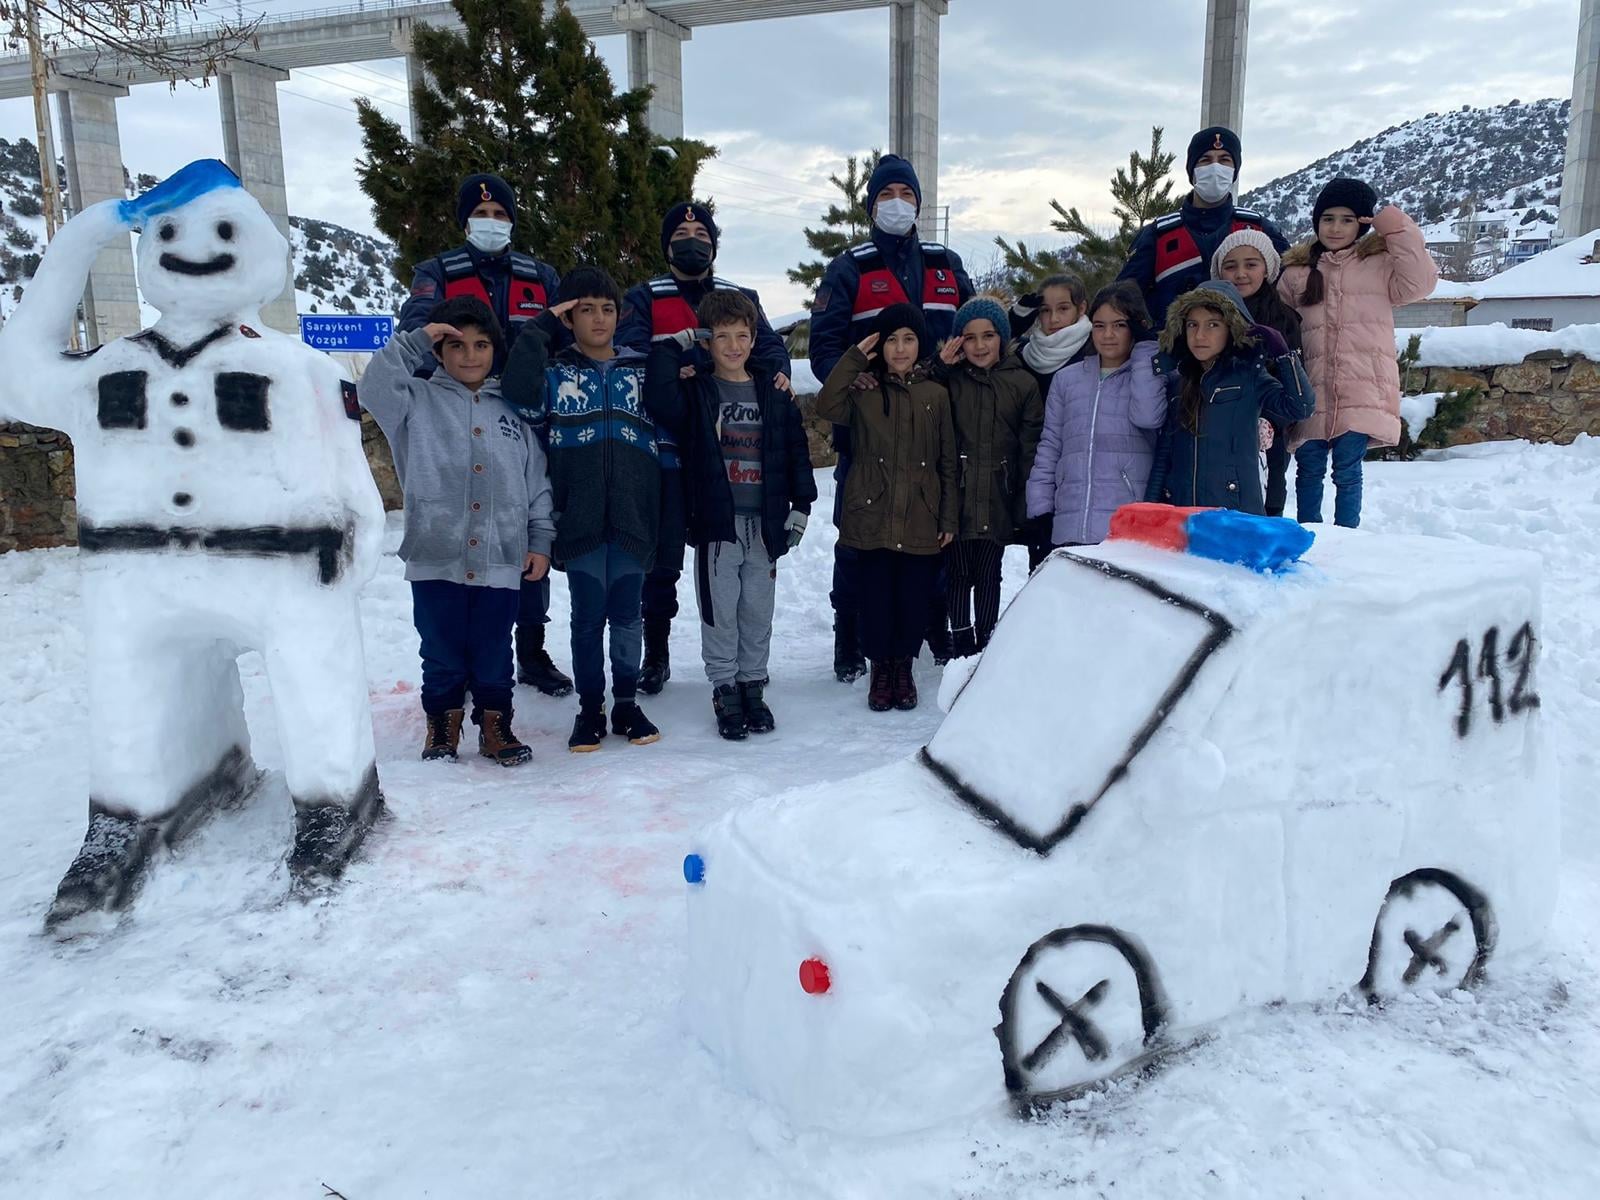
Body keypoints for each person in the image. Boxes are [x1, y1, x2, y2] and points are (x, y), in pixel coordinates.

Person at [396, 172, 573, 699]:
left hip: (528, 421)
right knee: (469, 533)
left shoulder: (540, 275)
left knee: (525, 533)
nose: (491, 223)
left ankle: (532, 651)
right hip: (459, 416)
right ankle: (463, 662)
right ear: (465, 221)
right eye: (481, 215)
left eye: (500, 216)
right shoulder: (437, 272)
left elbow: (563, 341)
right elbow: (418, 333)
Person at [360, 296, 554, 767]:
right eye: (457, 345)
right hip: (435, 553)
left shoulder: (512, 413)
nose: (470, 355)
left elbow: (536, 484)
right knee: (441, 649)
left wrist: (540, 539)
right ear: (440, 351)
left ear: (495, 349)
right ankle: (442, 724)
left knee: (493, 648)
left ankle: (495, 724)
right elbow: (373, 388)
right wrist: (418, 339)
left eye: (481, 345)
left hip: (501, 558)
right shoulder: (415, 400)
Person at [807, 154, 974, 681]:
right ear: (871, 205)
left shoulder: (945, 261)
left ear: (919, 203)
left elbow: (976, 330)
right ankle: (848, 637)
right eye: (885, 195)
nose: (897, 203)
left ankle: (928, 626)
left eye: (906, 193)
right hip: (870, 426)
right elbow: (824, 345)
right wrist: (853, 376)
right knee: (860, 535)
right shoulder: (849, 266)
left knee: (934, 531)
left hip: (936, 419)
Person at [617, 202, 794, 697]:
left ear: (714, 243)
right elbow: (631, 354)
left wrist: (775, 371)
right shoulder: (645, 296)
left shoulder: (739, 297)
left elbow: (771, 348)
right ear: (667, 244)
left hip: (725, 452)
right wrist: (678, 364)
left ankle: (747, 674)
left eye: (701, 232)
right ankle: (657, 651)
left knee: (734, 567)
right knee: (664, 559)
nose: (692, 240)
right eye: (682, 233)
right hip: (662, 447)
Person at [502, 267, 663, 753]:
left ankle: (627, 704)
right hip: (582, 519)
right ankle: (590, 708)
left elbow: (676, 413)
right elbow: (517, 393)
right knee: (589, 620)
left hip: (635, 518)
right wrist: (540, 328)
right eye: (584, 309)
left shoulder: (642, 371)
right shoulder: (554, 374)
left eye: (607, 308)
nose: (598, 318)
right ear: (567, 317)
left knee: (629, 618)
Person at [645, 290, 817, 740]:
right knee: (720, 612)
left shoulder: (773, 389)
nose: (734, 346)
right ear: (706, 341)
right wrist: (673, 346)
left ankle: (752, 684)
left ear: (755, 337)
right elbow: (659, 398)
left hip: (764, 524)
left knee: (758, 609)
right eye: (722, 337)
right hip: (717, 524)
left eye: (743, 335)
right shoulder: (696, 388)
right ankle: (725, 687)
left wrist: (802, 505)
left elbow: (795, 450)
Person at [814, 304, 957, 712]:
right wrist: (856, 357)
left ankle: (903, 669)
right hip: (871, 516)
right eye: (891, 339)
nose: (899, 348)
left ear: (920, 344)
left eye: (908, 339)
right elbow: (825, 405)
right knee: (875, 599)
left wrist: (946, 515)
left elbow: (947, 460)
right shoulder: (863, 392)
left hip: (920, 517)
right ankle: (880, 670)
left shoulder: (936, 395)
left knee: (912, 600)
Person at [1277, 179, 1437, 528]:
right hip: (1311, 388)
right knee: (1308, 469)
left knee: (1348, 471)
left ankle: (1349, 539)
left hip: (1362, 388)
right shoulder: (1295, 273)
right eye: (1328, 218)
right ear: (1316, 221)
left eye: (1347, 219)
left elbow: (1421, 283)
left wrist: (1391, 225)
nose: (1336, 228)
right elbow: (1282, 331)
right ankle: (1311, 535)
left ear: (1362, 224)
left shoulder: (1380, 265)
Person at [930, 298, 1042, 657]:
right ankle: (961, 640)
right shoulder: (950, 381)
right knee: (958, 572)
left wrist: (1025, 500)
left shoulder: (1022, 383)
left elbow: (1030, 448)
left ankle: (986, 641)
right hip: (958, 494)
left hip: (999, 492)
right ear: (958, 342)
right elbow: (920, 396)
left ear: (1002, 338)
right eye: (970, 337)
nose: (979, 346)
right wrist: (940, 368)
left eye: (988, 336)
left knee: (989, 571)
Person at [1145, 281, 1315, 511]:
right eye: (1192, 325)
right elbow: (1164, 454)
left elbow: (1301, 407)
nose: (1200, 335)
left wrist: (1285, 357)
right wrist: (1150, 508)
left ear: (1231, 329)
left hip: (1237, 515)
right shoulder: (1179, 382)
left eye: (1213, 324)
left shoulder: (1249, 376)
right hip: (1183, 515)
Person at [1026, 281, 1167, 548]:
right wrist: (1040, 506)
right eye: (1099, 326)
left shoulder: (1147, 377)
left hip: (1127, 528)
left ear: (1135, 327)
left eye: (1120, 325)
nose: (1108, 335)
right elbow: (1050, 446)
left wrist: (1147, 349)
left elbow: (1149, 416)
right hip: (1071, 522)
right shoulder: (1067, 379)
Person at [1117, 127, 1288, 328]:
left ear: (1234, 170)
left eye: (1225, 160)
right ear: (1192, 171)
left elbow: (1292, 286)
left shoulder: (1257, 228)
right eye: (1205, 160)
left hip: (1246, 352)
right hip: (1170, 352)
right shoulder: (1158, 234)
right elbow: (1122, 299)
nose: (1215, 167)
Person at [1211, 230, 1303, 517]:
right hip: (1216, 429)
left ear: (1267, 268)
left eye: (1251, 264)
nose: (1240, 273)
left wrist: (1273, 422)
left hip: (1267, 432)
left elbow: (1295, 380)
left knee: (1266, 499)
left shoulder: (1284, 319)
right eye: (1231, 265)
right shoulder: (1207, 316)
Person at [1008, 272, 1093, 567]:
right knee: (1043, 573)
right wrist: (1013, 323)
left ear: (1082, 309)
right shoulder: (1024, 356)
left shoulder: (1096, 350)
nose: (1053, 318)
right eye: (1045, 310)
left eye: (1063, 308)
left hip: (1085, 482)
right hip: (1038, 483)